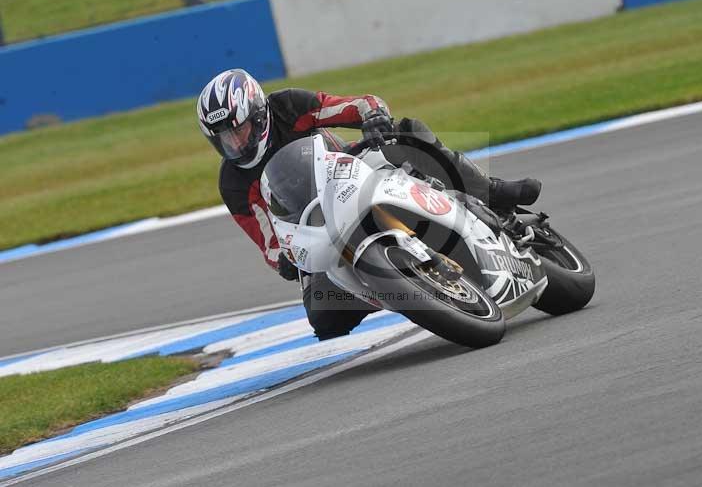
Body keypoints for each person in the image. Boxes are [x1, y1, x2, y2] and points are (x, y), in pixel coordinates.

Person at [197, 68, 540, 340]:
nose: (234, 143)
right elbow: (266, 240)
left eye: (238, 131)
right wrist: (285, 257)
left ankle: (491, 192)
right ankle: (394, 286)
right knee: (324, 319)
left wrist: (373, 116)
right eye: (223, 138)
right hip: (314, 223)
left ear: (258, 115)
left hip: (351, 171)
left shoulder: (288, 106)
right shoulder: (233, 183)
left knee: (407, 133)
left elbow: (357, 104)